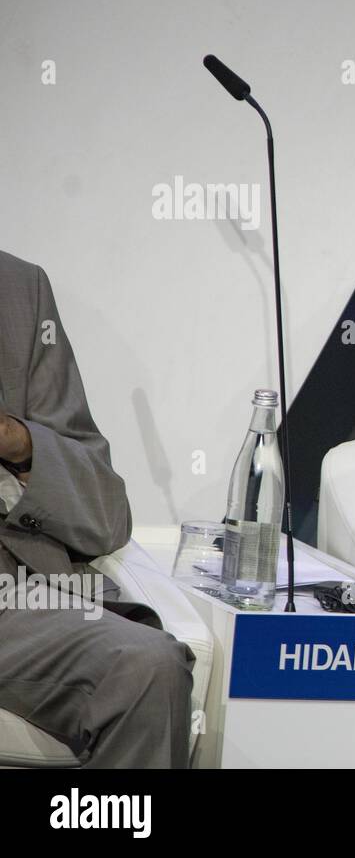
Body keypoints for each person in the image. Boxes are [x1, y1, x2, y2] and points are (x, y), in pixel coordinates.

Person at [0, 250, 195, 768]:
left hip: (13, 600)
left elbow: (108, 520)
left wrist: (21, 445)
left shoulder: (19, 288)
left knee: (148, 667)